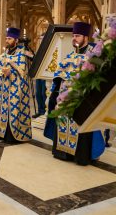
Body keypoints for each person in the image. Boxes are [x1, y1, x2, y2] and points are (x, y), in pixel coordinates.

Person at [44, 22, 105, 165]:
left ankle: (80, 155)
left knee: (80, 124)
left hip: (82, 99)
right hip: (65, 98)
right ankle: (63, 152)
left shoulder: (94, 54)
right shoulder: (70, 56)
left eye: (77, 36)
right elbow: (59, 75)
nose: (74, 38)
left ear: (85, 37)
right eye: (73, 36)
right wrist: (56, 94)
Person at [0, 27, 32, 143]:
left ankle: (11, 135)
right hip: (2, 90)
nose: (7, 40)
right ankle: (0, 132)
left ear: (16, 40)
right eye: (6, 38)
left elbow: (24, 73)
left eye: (9, 38)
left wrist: (11, 72)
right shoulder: (4, 54)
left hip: (14, 89)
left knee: (13, 111)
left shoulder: (22, 55)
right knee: (1, 110)